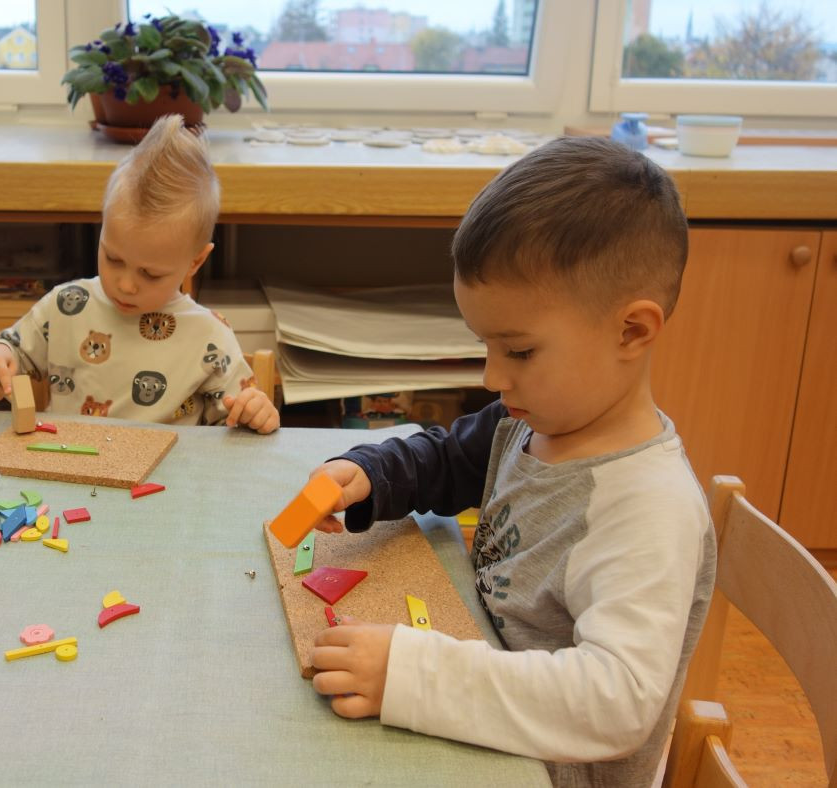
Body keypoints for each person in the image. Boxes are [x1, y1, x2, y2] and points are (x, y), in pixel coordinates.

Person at [306, 137, 716, 786]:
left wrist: (415, 675)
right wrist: (370, 475)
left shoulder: (647, 510)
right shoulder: (532, 420)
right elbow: (447, 459)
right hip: (482, 719)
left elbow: (616, 703)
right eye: (485, 346)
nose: (493, 377)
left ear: (632, 331)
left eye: (519, 351)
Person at [0, 115, 279, 434]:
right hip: (71, 458)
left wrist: (253, 413)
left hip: (169, 467)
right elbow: (12, 350)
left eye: (150, 274)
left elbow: (237, 422)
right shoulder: (66, 305)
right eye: (113, 258)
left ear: (195, 262)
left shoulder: (209, 336)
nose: (126, 285)